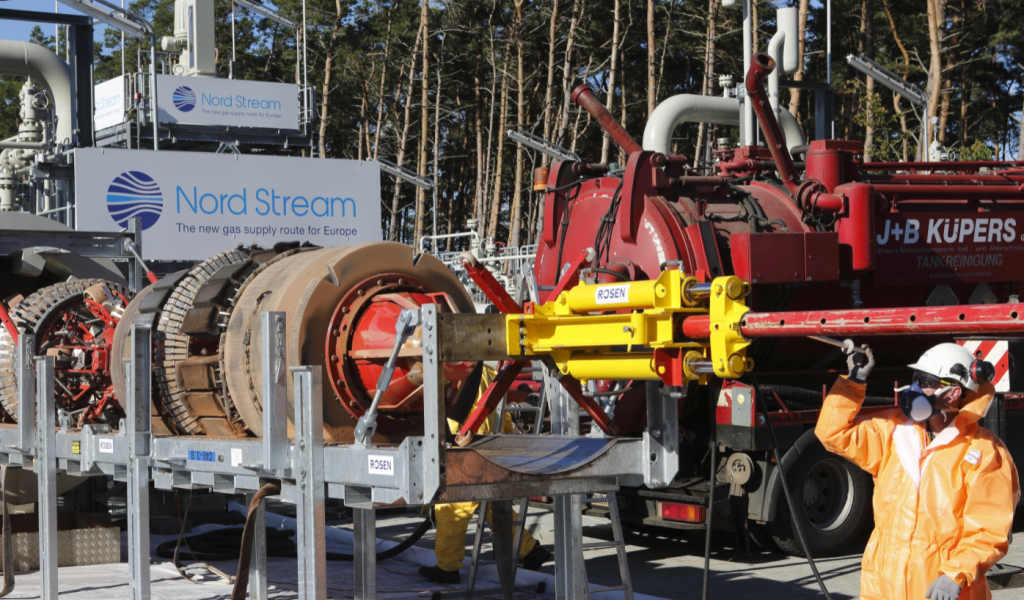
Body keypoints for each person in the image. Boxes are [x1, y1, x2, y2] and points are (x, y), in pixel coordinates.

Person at [815, 342, 1019, 600]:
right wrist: (854, 380)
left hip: (940, 589)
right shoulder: (894, 432)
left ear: (953, 392)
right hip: (883, 587)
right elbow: (832, 434)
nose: (914, 389)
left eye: (925, 381)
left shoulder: (984, 453)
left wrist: (956, 573)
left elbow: (988, 531)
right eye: (915, 378)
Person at [418, 366, 552, 584]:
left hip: (460, 449)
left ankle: (448, 568)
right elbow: (503, 413)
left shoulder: (447, 369)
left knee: (450, 509)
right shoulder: (490, 372)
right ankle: (530, 551)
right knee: (492, 507)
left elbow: (445, 412)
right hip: (486, 448)